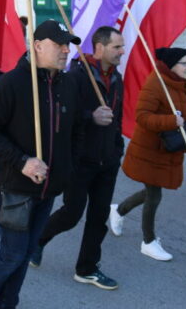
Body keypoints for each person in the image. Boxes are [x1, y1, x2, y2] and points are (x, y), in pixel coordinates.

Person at [0, 20, 82, 309]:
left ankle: (7, 304)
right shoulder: (10, 83)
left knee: (26, 251)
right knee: (13, 253)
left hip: (49, 188)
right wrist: (22, 162)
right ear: (37, 46)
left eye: (67, 44)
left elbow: (73, 130)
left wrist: (67, 170)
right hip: (15, 187)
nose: (66, 50)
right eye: (59, 44)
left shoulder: (68, 84)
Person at [31, 26, 125, 290]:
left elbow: (117, 119)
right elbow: (63, 117)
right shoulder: (77, 76)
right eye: (117, 47)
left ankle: (87, 268)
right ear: (100, 48)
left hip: (107, 162)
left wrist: (118, 149)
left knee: (99, 217)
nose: (122, 51)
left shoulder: (117, 78)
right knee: (72, 213)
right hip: (81, 161)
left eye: (122, 46)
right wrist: (90, 116)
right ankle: (38, 240)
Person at [109, 47, 186, 262]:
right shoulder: (157, 83)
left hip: (167, 148)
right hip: (150, 150)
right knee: (154, 195)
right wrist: (170, 121)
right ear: (172, 65)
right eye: (184, 63)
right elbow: (142, 116)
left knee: (152, 191)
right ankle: (148, 241)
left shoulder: (183, 85)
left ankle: (118, 211)